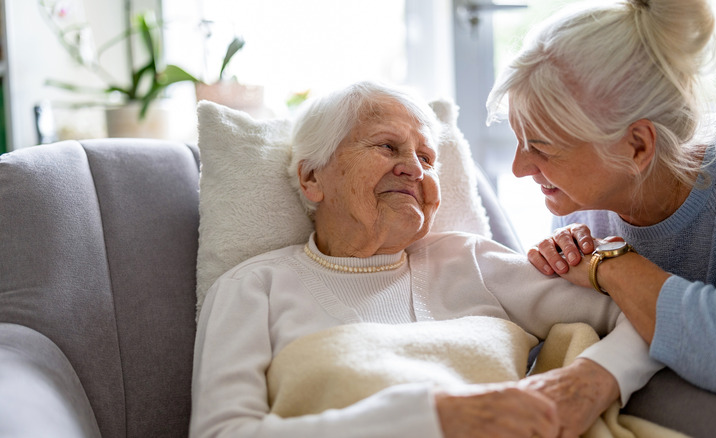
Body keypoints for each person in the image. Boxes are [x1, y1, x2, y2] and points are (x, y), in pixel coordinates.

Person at [190, 81, 660, 438]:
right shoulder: (252, 288)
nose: (415, 169)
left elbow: (647, 318)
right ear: (313, 178)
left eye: (427, 157)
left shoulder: (469, 259)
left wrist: (593, 381)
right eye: (386, 147)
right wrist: (433, 418)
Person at [486, 0, 716, 401]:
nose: (519, 168)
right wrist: (563, 273)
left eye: (541, 148)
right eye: (519, 141)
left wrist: (609, 264)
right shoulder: (579, 200)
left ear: (636, 146)